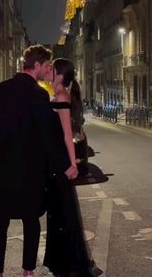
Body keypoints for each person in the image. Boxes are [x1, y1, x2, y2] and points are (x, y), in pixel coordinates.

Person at [0, 45, 72, 277]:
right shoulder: (38, 95)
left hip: (0, 170)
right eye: (45, 66)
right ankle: (27, 270)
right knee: (30, 221)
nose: (47, 70)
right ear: (36, 65)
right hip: (29, 170)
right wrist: (66, 164)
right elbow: (48, 136)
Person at [43, 58, 94, 277]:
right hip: (56, 162)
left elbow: (66, 132)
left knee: (63, 211)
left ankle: (69, 261)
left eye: (51, 68)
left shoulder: (61, 94)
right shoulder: (58, 94)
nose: (47, 71)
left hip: (61, 163)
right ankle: (63, 259)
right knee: (59, 210)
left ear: (59, 74)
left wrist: (72, 163)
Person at [70, 79, 88, 174]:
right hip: (74, 130)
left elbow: (80, 117)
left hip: (74, 130)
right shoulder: (76, 100)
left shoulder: (76, 101)